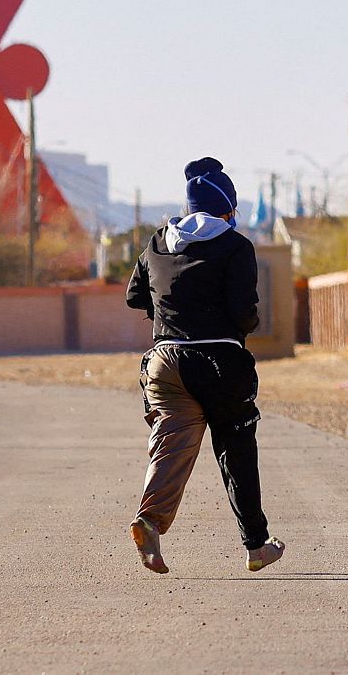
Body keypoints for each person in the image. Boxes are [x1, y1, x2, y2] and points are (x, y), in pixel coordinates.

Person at [124, 157, 285, 575]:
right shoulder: (236, 245)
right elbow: (244, 312)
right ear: (227, 208)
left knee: (173, 443)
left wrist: (171, 316)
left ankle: (150, 521)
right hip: (218, 362)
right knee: (236, 447)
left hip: (163, 362)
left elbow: (135, 296)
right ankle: (256, 545)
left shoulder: (159, 242)